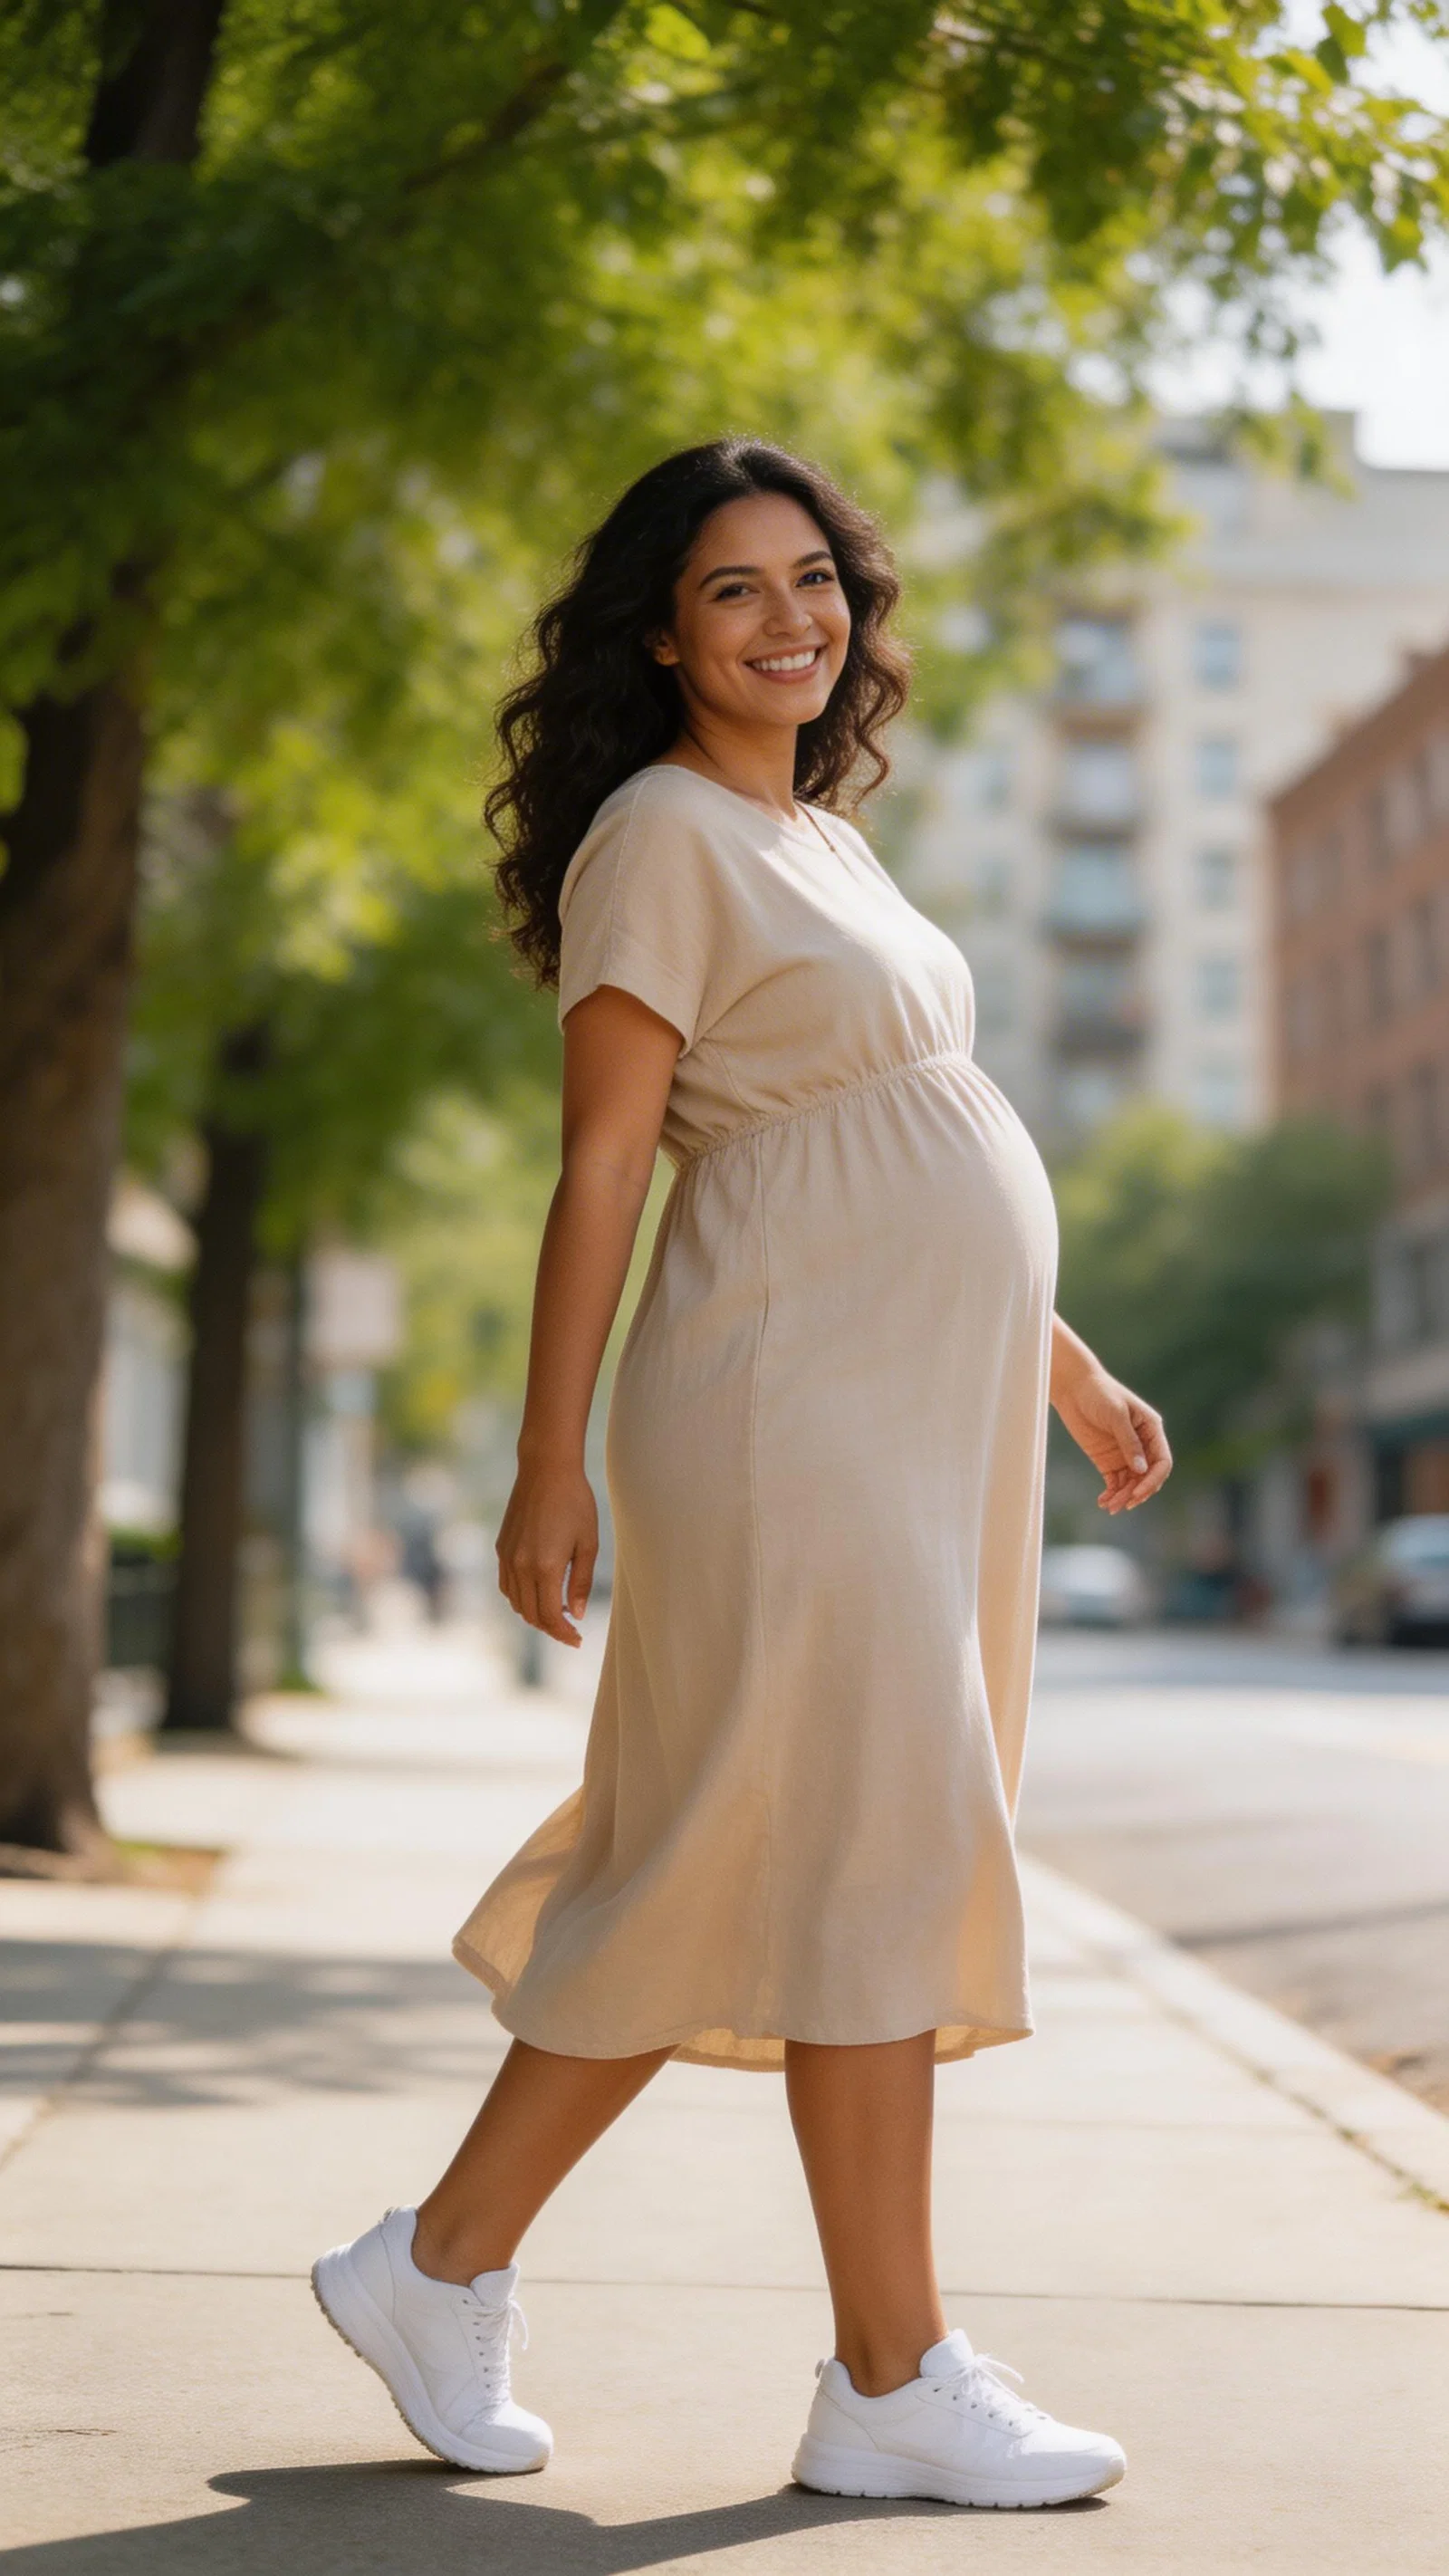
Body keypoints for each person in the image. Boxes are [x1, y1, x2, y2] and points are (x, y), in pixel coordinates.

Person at [312, 437, 1172, 2510]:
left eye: (816, 580)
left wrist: (1056, 1364)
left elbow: (895, 1118)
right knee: (851, 1837)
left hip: (911, 1411)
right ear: (657, 630)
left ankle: (438, 2268)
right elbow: (609, 1159)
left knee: (742, 1848)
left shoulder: (824, 842)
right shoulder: (664, 837)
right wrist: (548, 1460)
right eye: (733, 591)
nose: (792, 620)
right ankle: (891, 2373)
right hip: (786, 1414)